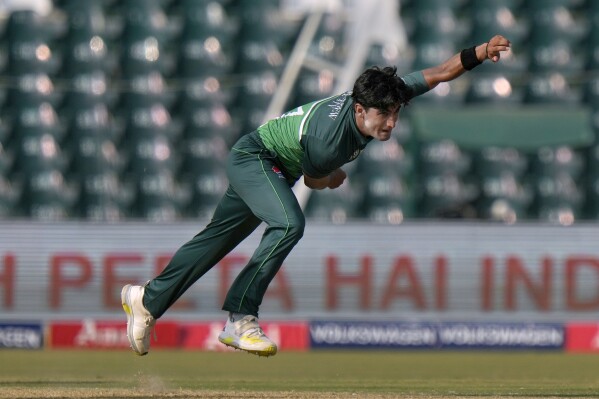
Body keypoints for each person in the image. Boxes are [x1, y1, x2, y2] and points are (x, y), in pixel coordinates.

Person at [121, 34, 511, 357]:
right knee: (290, 223)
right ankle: (241, 318)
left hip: (269, 166)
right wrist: (334, 175)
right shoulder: (330, 143)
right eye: (383, 115)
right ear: (359, 110)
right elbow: (313, 180)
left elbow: (441, 72)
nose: (391, 122)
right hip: (256, 158)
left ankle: (147, 300)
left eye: (395, 113)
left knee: (214, 242)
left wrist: (480, 51)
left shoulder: (380, 96)